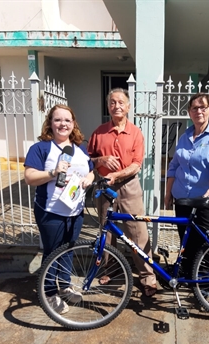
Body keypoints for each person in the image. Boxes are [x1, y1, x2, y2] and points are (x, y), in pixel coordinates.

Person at [24, 104, 95, 313]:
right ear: (50, 123)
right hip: (50, 211)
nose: (63, 124)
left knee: (68, 250)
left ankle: (64, 287)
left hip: (75, 211)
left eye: (67, 120)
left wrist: (88, 179)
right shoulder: (41, 148)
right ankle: (48, 293)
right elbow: (29, 177)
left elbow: (91, 170)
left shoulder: (80, 148)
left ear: (73, 124)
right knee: (52, 253)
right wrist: (53, 172)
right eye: (58, 120)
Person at [87, 88, 157, 297]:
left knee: (137, 231)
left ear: (128, 106)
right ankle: (110, 269)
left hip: (129, 186)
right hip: (104, 187)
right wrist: (101, 160)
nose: (117, 106)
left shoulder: (135, 132)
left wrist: (116, 175)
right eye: (113, 102)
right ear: (108, 106)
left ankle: (147, 276)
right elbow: (87, 159)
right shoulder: (99, 132)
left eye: (121, 102)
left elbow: (136, 165)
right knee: (106, 231)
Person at [164, 93, 209, 292]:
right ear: (189, 112)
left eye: (203, 107)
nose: (199, 111)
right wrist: (168, 193)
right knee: (188, 240)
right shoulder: (185, 137)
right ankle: (191, 275)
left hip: (207, 200)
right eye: (194, 108)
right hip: (183, 199)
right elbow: (174, 166)